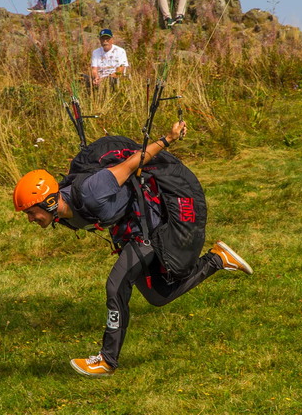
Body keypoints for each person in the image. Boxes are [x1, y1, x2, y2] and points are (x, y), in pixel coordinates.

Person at [13, 122, 254, 377]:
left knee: (116, 286)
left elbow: (132, 164)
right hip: (131, 232)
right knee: (159, 296)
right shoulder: (61, 213)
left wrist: (168, 138)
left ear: (50, 201)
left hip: (148, 229)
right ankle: (218, 259)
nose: (30, 219)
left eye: (32, 212)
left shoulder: (92, 191)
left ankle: (107, 360)